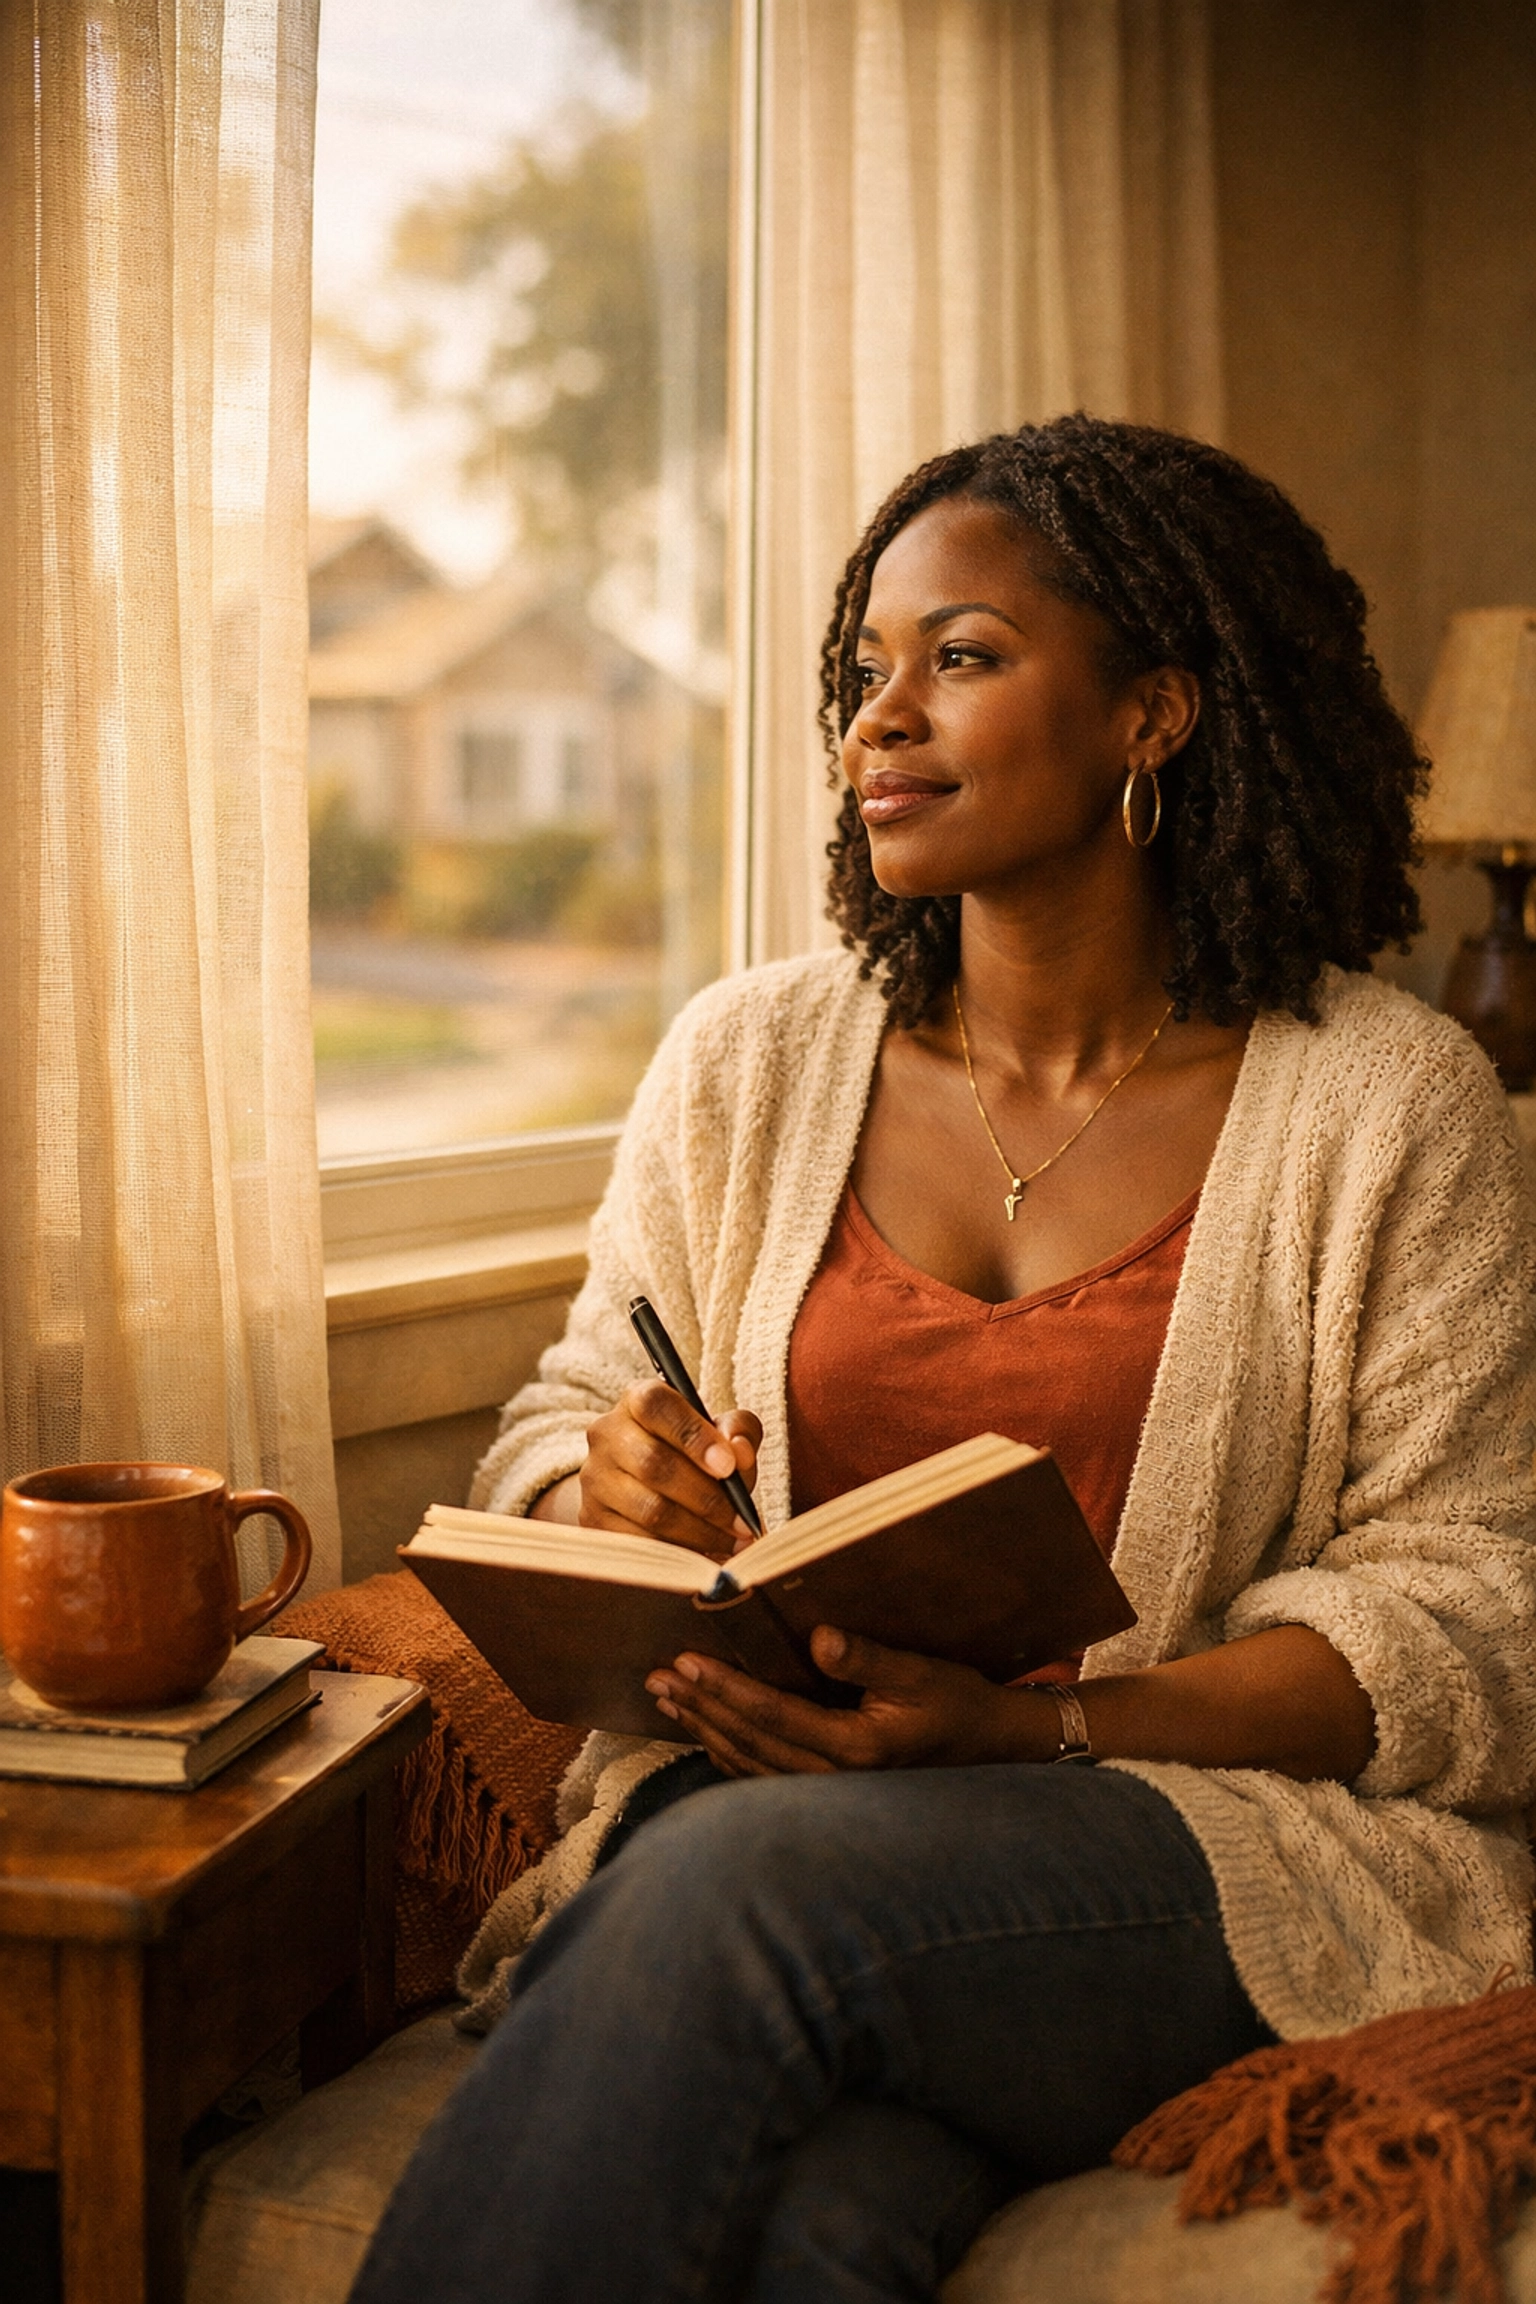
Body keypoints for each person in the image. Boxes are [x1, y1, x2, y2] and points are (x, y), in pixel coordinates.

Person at [350, 416, 1536, 2304]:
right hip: (821, 1845)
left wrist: (1029, 1732)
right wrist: (607, 1485)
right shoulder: (745, 1064)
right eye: (864, 670)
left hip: (1187, 1850)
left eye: (960, 658)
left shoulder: (1391, 1105)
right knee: (820, 2230)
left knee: (731, 1888)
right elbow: (557, 1427)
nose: (875, 723)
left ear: (1153, 713)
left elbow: (1474, 1618)